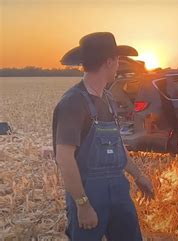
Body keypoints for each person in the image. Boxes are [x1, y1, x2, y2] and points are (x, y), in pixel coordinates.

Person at [52, 32, 156, 240]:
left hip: (118, 190)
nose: (119, 66)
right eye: (118, 60)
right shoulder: (72, 103)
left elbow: (117, 145)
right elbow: (64, 158)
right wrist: (82, 204)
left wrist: (139, 175)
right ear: (109, 62)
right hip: (90, 193)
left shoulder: (108, 98)